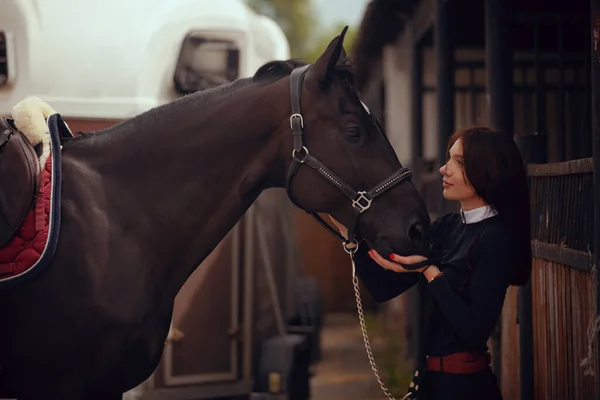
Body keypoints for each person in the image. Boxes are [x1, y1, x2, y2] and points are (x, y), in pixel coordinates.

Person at [330, 126, 531, 399]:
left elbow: (474, 331)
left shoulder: (496, 240)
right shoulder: (448, 226)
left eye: (458, 162)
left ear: (486, 169)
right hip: (427, 383)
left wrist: (430, 271)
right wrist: (352, 239)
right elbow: (384, 288)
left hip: (465, 389)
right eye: (448, 159)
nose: (443, 169)